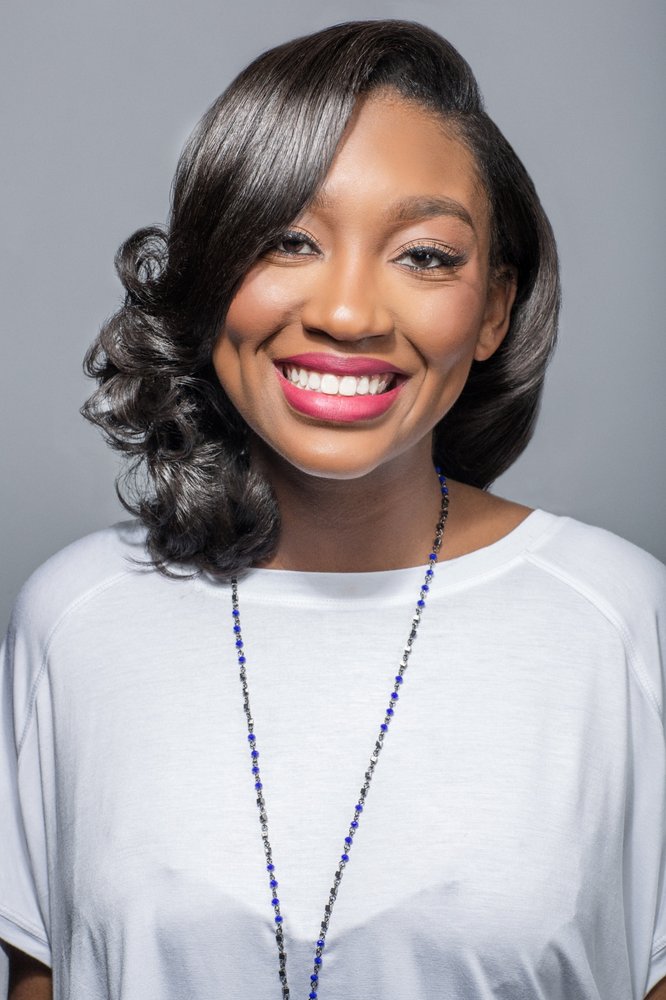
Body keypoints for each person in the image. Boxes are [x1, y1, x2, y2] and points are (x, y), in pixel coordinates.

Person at [1, 18, 664, 1000]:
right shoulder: (75, 616)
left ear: (494, 308)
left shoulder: (621, 621)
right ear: (210, 276)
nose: (347, 314)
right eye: (288, 240)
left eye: (424, 255)